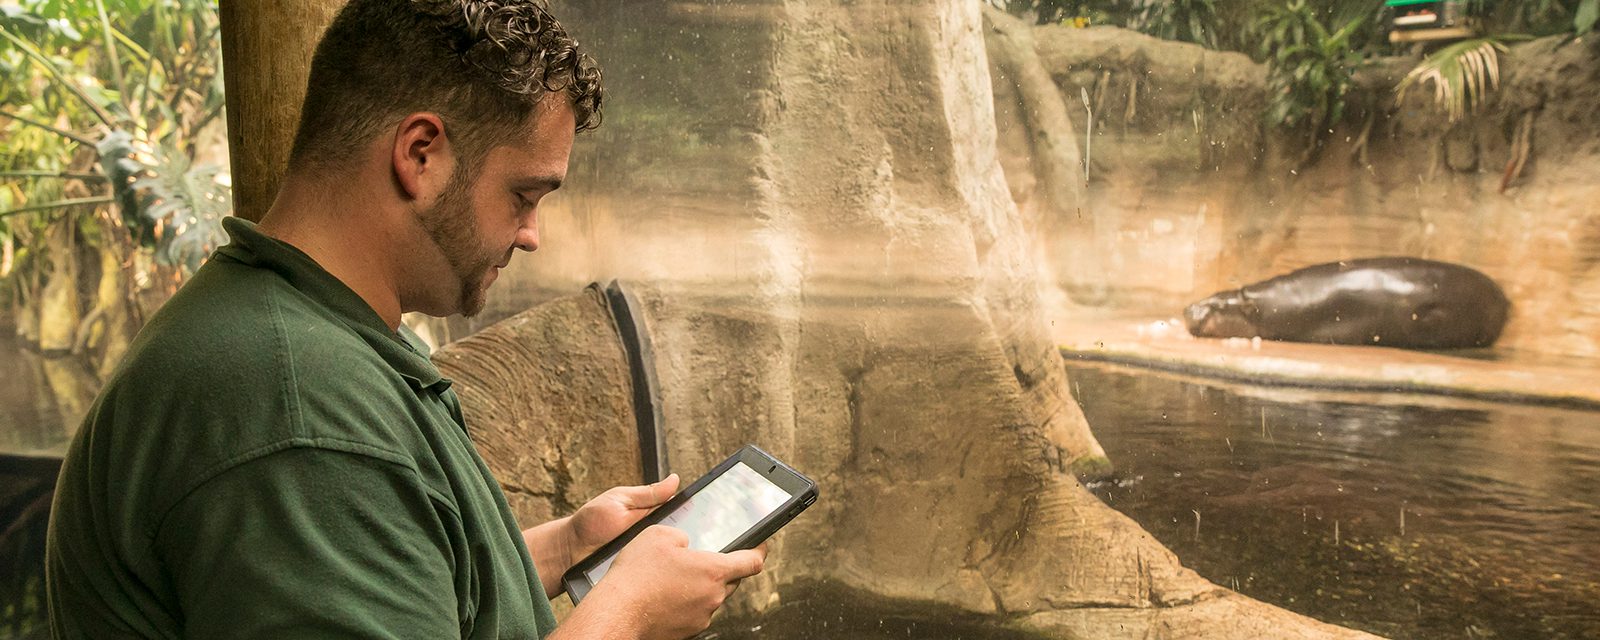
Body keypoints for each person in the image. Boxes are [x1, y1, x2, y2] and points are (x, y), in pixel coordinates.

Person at [44, 1, 766, 638]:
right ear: (421, 155)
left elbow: (401, 580)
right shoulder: (299, 416)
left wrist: (563, 550)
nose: (531, 234)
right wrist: (627, 616)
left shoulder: (298, 329)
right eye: (523, 194)